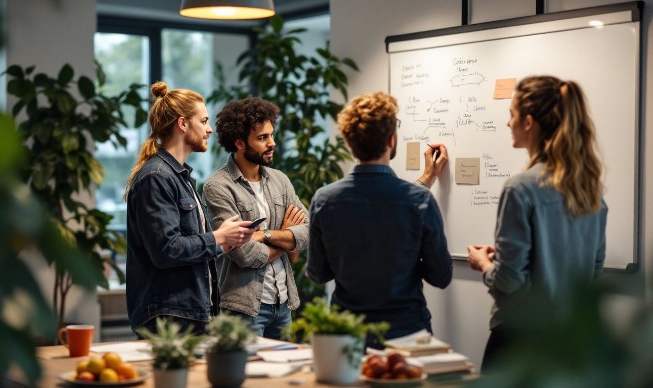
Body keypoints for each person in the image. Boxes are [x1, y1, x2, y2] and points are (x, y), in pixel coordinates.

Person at [467, 75, 608, 371]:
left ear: (529, 122)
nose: (508, 123)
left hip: (520, 343)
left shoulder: (520, 189)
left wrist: (484, 263)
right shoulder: (591, 192)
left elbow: (509, 282)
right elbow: (591, 272)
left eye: (511, 115)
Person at [306, 91, 452, 346]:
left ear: (349, 142)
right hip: (407, 333)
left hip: (346, 334)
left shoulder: (324, 199)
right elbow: (441, 276)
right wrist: (408, 257)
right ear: (392, 139)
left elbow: (318, 274)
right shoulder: (419, 201)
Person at [123, 81, 256, 336]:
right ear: (183, 124)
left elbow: (186, 247)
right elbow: (166, 250)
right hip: (170, 318)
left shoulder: (180, 177)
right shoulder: (157, 177)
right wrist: (217, 237)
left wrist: (223, 243)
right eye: (204, 121)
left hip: (188, 314)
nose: (209, 130)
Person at [203, 97, 309, 339]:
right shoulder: (218, 187)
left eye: (271, 135)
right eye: (262, 138)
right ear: (239, 143)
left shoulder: (280, 179)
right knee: (248, 375)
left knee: (279, 375)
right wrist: (286, 236)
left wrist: (265, 235)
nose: (271, 143)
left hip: (283, 303)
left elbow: (309, 232)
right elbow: (245, 254)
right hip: (244, 309)